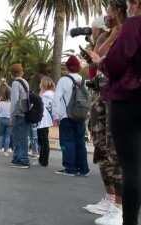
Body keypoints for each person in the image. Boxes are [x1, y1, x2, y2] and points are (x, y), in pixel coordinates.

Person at [88, 1, 141, 224]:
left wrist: (101, 63)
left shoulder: (133, 26)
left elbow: (116, 64)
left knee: (131, 167)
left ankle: (126, 217)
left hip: (129, 99)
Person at [84, 3, 127, 225]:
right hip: (101, 94)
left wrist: (116, 33)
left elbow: (110, 61)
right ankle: (111, 200)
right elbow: (98, 57)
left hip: (118, 97)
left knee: (115, 149)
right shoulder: (111, 34)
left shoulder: (129, 31)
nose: (106, 15)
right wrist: (108, 36)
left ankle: (120, 207)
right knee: (102, 146)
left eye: (109, 10)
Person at [52, 55, 90, 176]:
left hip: (66, 116)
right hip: (80, 116)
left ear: (67, 67)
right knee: (80, 141)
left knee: (67, 141)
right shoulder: (82, 80)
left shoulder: (63, 80)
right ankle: (83, 169)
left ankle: (70, 168)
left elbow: (56, 98)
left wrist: (55, 115)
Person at [10, 63, 31, 169]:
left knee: (18, 137)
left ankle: (22, 159)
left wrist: (11, 117)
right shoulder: (25, 82)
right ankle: (18, 158)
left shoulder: (15, 83)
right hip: (26, 112)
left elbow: (14, 101)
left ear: (12, 73)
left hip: (19, 113)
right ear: (21, 72)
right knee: (22, 137)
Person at [37, 76, 55, 167]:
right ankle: (43, 159)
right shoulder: (52, 94)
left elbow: (41, 107)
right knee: (44, 140)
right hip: (47, 120)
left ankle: (43, 160)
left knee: (43, 140)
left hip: (43, 120)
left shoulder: (45, 95)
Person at [0, 89, 11, 157]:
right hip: (9, 120)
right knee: (7, 136)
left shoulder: (1, 103)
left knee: (1, 135)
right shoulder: (11, 103)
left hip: (1, 120)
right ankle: (6, 151)